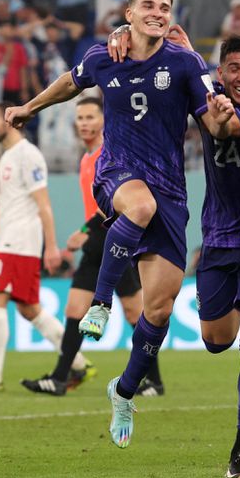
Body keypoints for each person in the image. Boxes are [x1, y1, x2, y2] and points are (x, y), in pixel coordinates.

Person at [5, 0, 210, 449]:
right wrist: (30, 106)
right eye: (148, 5)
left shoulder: (183, 62)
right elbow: (69, 83)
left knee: (157, 311)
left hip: (171, 191)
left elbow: (211, 114)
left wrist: (200, 61)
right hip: (117, 172)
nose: (157, 11)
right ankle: (100, 304)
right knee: (138, 205)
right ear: (129, 12)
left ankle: (123, 390)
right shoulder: (104, 55)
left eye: (165, 6)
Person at [106, 33, 240, 478]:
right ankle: (124, 387)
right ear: (221, 72)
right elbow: (165, 60)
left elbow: (224, 127)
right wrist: (136, 39)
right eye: (234, 68)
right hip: (219, 241)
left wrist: (210, 98)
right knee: (216, 341)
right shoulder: (207, 93)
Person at [21, 97, 164, 397]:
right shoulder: (87, 159)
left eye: (90, 117)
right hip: (96, 239)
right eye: (80, 118)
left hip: (116, 238)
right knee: (75, 308)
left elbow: (115, 202)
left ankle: (154, 381)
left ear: (103, 120)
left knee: (135, 313)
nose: (84, 123)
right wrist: (85, 230)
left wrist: (84, 231)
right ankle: (60, 378)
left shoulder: (109, 155)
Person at [0, 102, 74, 392]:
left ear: (9, 121)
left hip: (21, 240)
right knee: (28, 308)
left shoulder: (28, 155)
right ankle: (80, 363)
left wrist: (51, 246)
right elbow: (3, 209)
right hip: (10, 240)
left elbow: (44, 204)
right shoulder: (8, 157)